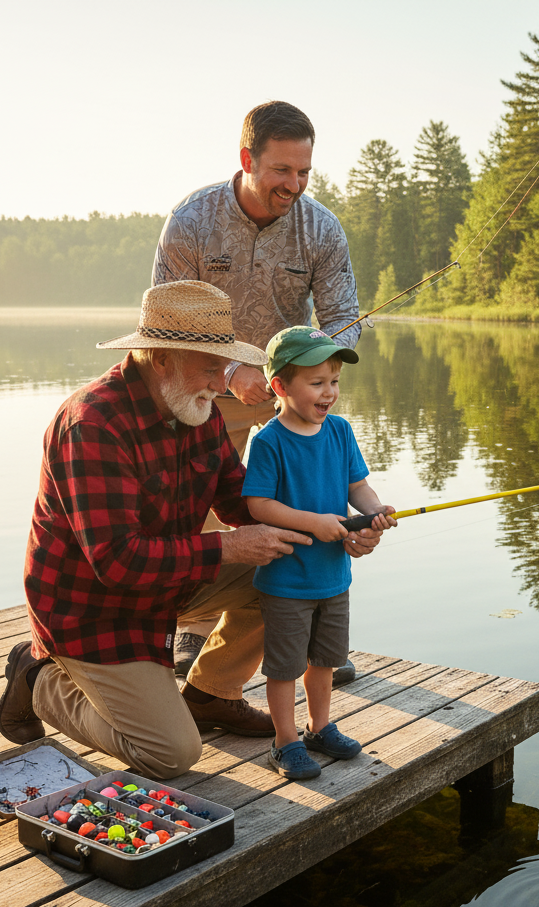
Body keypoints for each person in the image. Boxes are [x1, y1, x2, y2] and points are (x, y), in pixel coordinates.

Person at [0, 280, 322, 778]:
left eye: (224, 366)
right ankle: (37, 677)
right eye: (210, 366)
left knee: (295, 565)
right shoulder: (92, 424)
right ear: (163, 357)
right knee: (170, 755)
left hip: (165, 586)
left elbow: (238, 498)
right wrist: (228, 548)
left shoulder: (197, 407)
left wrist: (323, 525)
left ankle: (211, 693)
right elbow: (117, 562)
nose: (220, 383)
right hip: (91, 611)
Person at [152, 100, 364, 680]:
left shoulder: (321, 228)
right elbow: (167, 325)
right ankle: (194, 632)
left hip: (283, 395)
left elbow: (345, 317)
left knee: (301, 506)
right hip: (199, 388)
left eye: (304, 172)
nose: (294, 185)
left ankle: (306, 628)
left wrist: (310, 367)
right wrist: (228, 374)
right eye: (281, 171)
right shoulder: (191, 222)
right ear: (247, 159)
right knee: (201, 507)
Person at [242, 326, 396, 780]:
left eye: (334, 381)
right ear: (280, 386)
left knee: (326, 661)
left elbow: (357, 487)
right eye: (317, 382)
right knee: (284, 668)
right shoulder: (269, 441)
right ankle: (285, 741)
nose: (329, 392)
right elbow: (259, 505)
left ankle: (319, 727)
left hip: (333, 575)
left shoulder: (341, 431)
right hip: (287, 580)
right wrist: (315, 522)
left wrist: (373, 511)